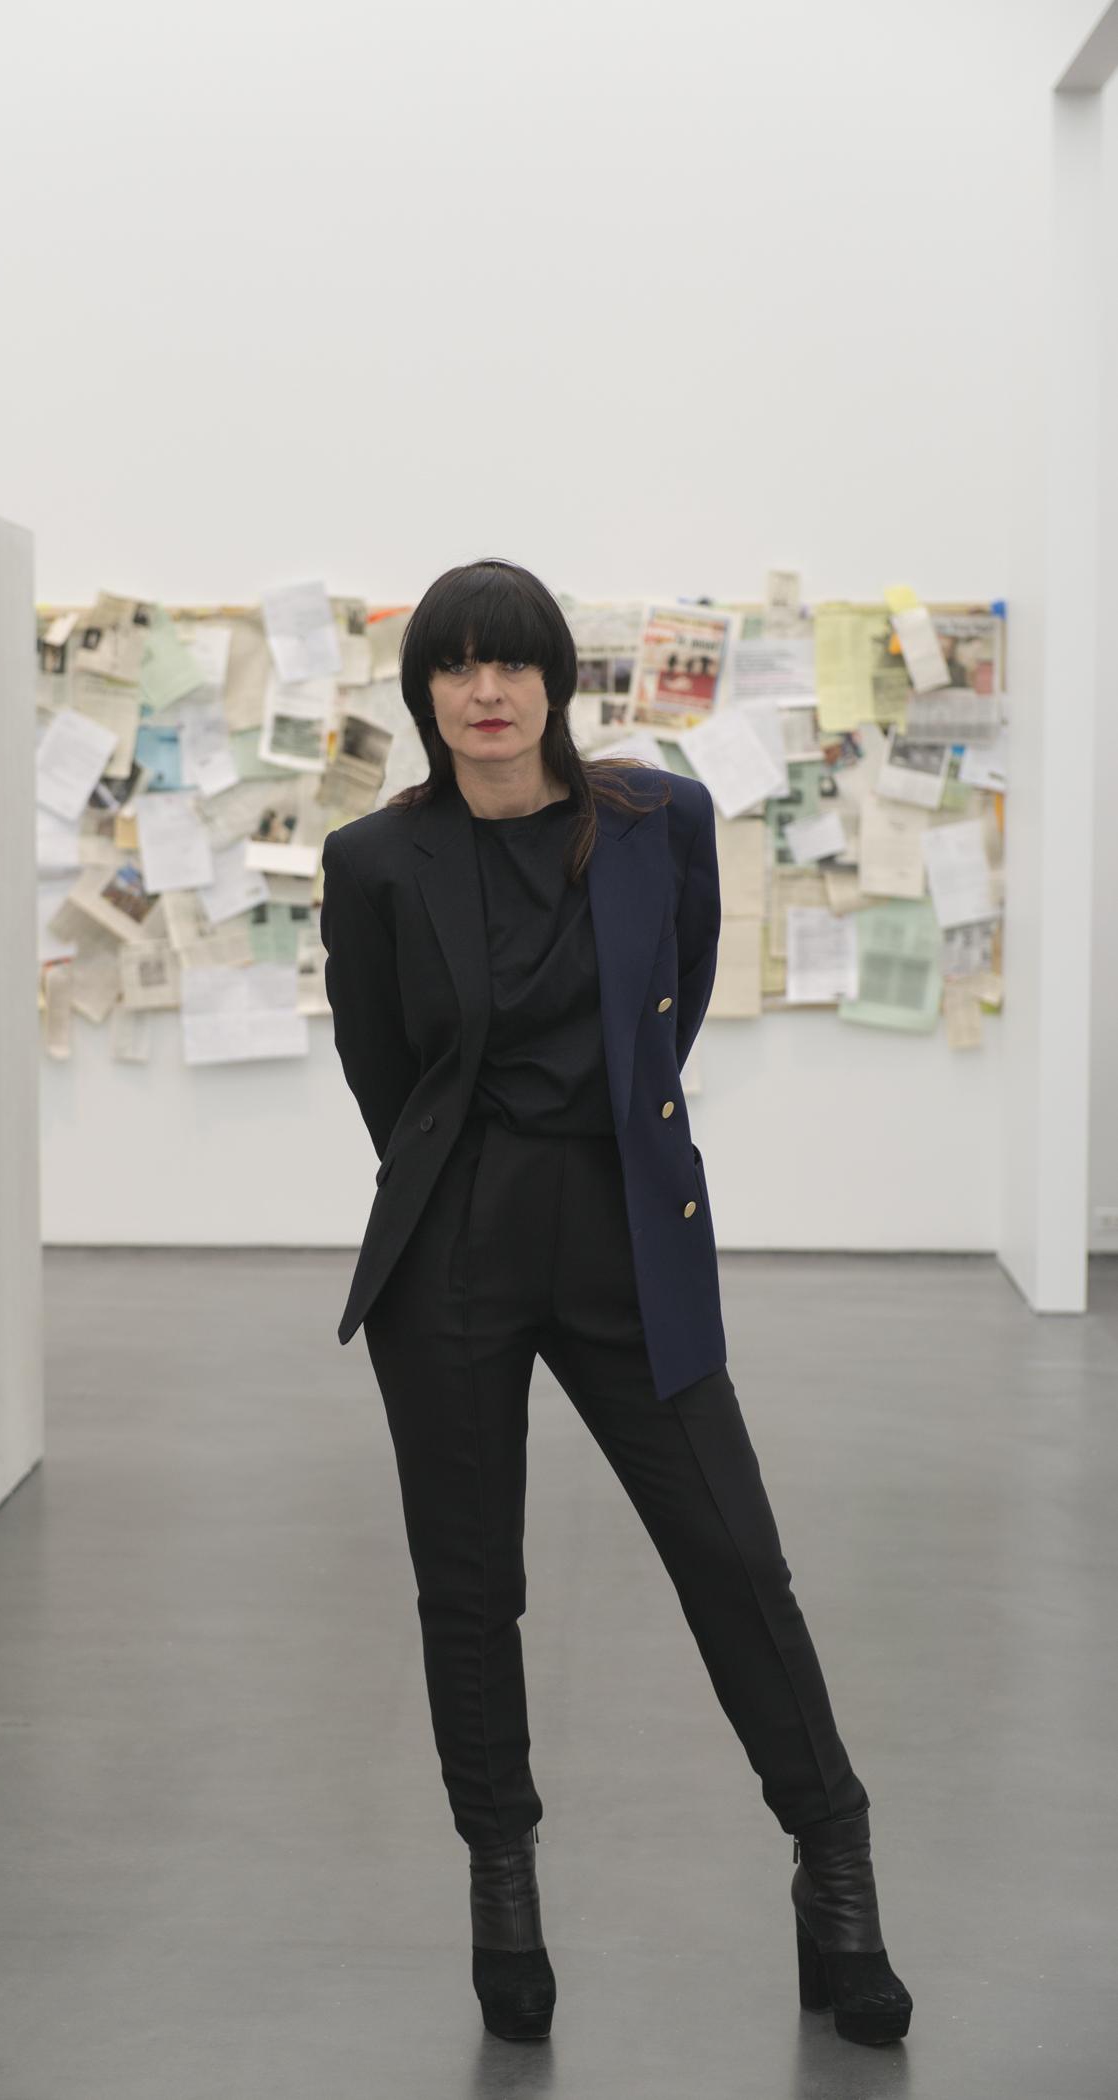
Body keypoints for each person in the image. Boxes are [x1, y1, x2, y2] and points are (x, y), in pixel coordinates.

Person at [317, 559, 913, 2050]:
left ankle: (832, 1865)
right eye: (453, 667)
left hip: (626, 1235)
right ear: (424, 695)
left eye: (509, 663)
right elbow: (386, 1073)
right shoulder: (375, 861)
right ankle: (500, 1889)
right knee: (469, 1586)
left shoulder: (658, 823)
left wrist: (599, 1127)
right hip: (450, 1247)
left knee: (730, 1555)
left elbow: (681, 989)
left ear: (556, 684)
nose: (485, 690)